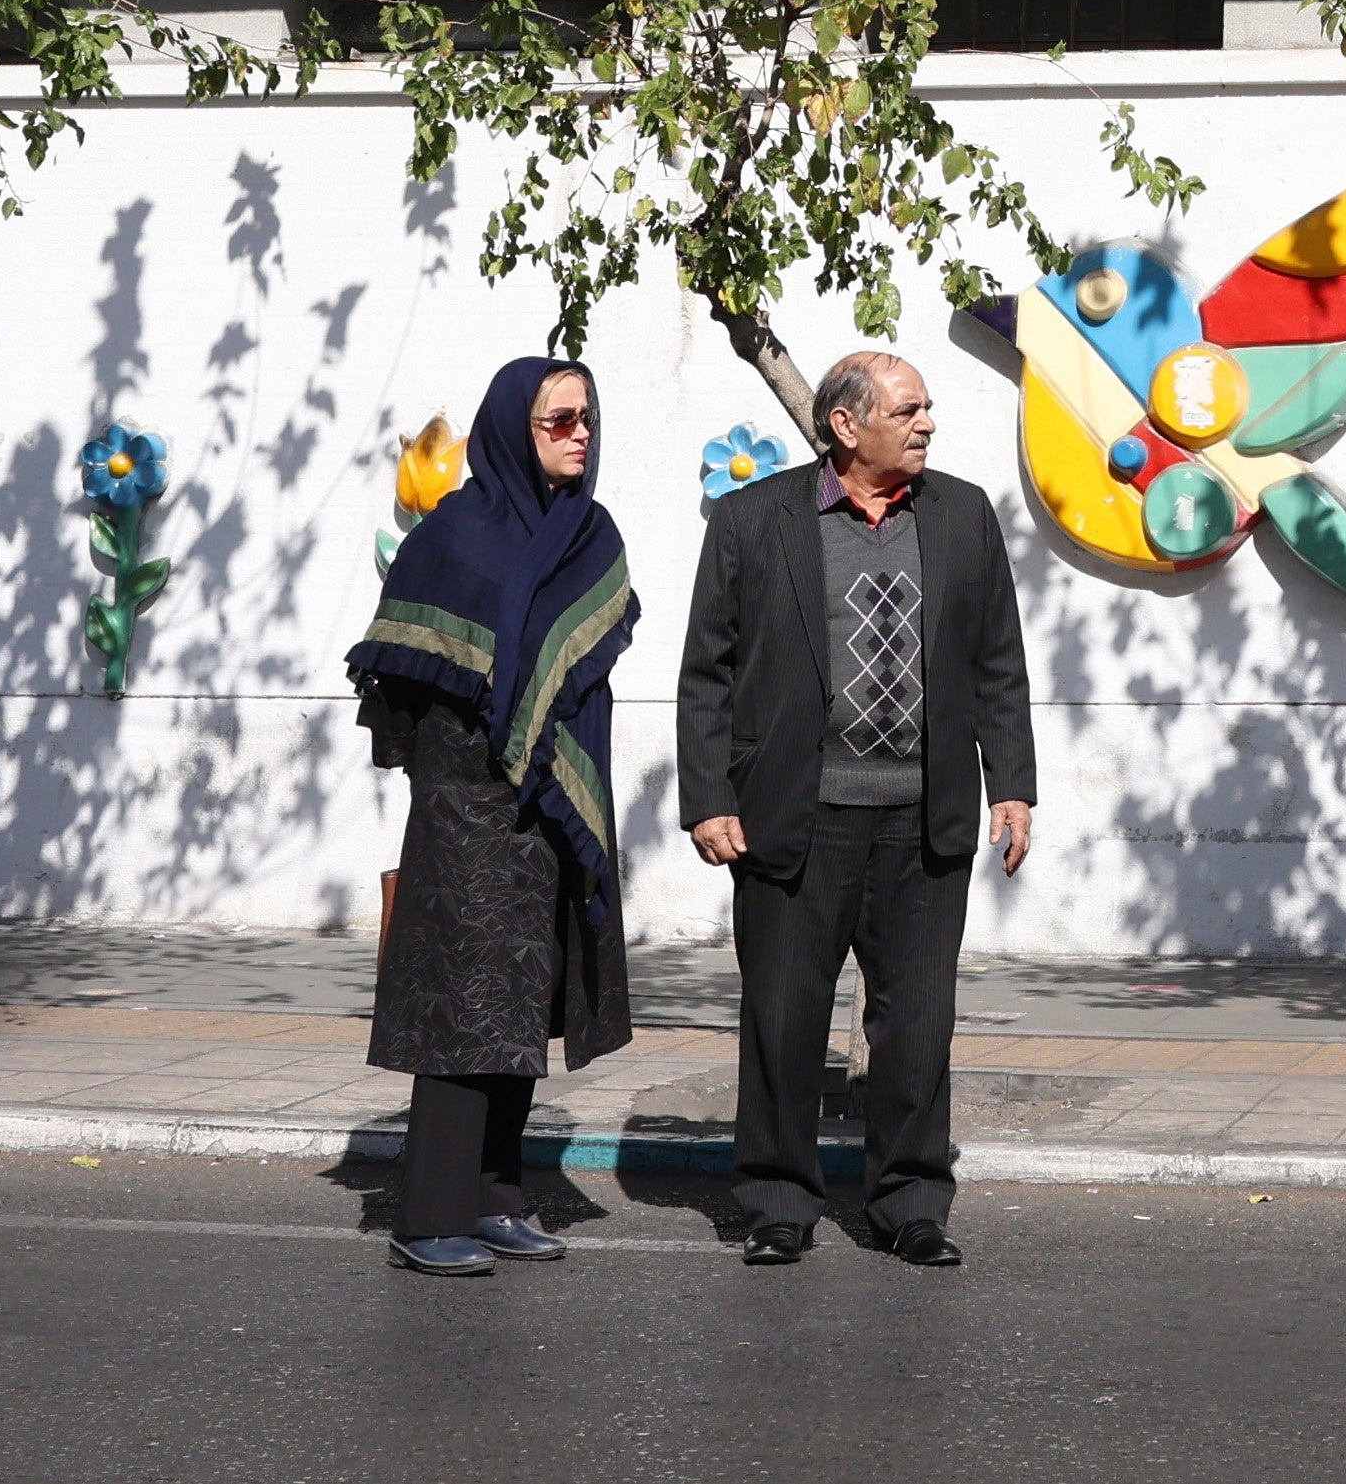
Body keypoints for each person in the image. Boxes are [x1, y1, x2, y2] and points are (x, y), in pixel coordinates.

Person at [676, 347, 1035, 1266]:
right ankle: (778, 1203)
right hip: (796, 817)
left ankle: (911, 1201)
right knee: (783, 1019)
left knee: (916, 1025)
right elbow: (707, 670)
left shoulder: (962, 514)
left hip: (924, 821)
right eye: (909, 408)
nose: (927, 423)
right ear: (846, 423)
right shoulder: (755, 518)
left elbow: (998, 658)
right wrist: (708, 796)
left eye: (926, 409)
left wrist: (1015, 785)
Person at [347, 356, 638, 1276]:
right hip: (466, 801)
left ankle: (497, 1198)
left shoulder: (589, 536)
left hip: (549, 804)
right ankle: (427, 1212)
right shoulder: (455, 536)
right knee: (459, 1006)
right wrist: (445, 783)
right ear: (515, 428)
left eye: (586, 417)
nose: (579, 433)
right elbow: (398, 677)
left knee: (522, 1000)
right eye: (559, 420)